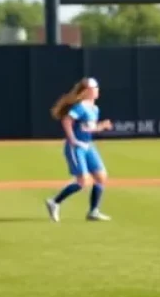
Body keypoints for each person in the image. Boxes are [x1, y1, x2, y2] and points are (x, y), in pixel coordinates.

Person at [45, 77, 113, 222]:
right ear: (87, 91)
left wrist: (102, 126)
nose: (97, 90)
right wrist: (73, 140)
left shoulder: (94, 108)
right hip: (76, 147)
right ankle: (54, 202)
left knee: (101, 176)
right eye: (94, 88)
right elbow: (66, 121)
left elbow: (89, 128)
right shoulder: (80, 107)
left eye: (97, 88)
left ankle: (94, 211)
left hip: (88, 145)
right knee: (82, 181)